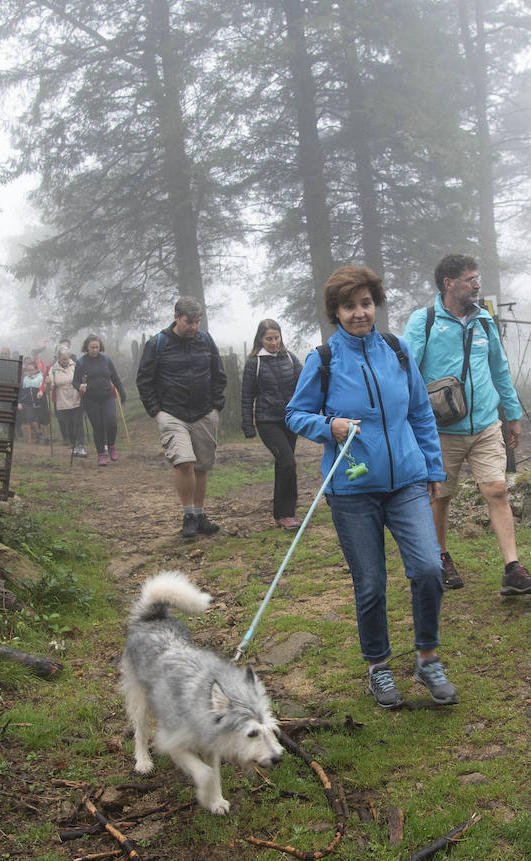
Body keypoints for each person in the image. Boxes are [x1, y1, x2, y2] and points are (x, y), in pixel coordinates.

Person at [285, 265, 455, 709]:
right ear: (335, 312)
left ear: (375, 303)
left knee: (429, 569)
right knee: (371, 584)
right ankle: (378, 668)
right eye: (348, 306)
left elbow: (420, 412)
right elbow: (295, 415)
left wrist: (433, 468)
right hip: (352, 491)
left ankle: (427, 659)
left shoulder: (397, 352)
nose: (359, 313)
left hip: (407, 483)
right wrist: (330, 425)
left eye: (365, 303)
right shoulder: (322, 361)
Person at [403, 253, 531, 597]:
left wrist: (512, 416)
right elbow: (405, 372)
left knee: (496, 490)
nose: (477, 284)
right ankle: (440, 558)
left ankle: (513, 568)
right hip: (440, 429)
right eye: (470, 279)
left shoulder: (484, 321)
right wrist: (408, 421)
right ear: (449, 284)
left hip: (485, 425)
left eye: (477, 278)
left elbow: (499, 369)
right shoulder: (424, 322)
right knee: (441, 496)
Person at [136, 297, 227, 538]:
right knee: (184, 462)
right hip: (171, 413)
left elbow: (218, 374)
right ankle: (187, 515)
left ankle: (199, 515)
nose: (195, 327)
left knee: (201, 467)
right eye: (190, 322)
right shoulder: (158, 343)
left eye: (198, 321)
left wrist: (216, 406)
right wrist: (156, 411)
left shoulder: (206, 340)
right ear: (176, 318)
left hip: (204, 412)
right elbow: (145, 380)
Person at [241, 319, 303, 529]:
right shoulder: (254, 363)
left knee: (283, 464)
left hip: (289, 420)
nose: (274, 342)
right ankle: (287, 513)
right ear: (260, 339)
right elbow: (247, 396)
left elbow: (304, 383)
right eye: (269, 338)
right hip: (267, 421)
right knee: (288, 462)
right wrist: (247, 424)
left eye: (276, 338)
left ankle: (280, 514)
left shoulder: (290, 358)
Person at [75, 334, 128, 466]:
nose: (94, 350)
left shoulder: (106, 360)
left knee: (112, 422)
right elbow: (75, 381)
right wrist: (79, 386)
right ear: (87, 347)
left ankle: (111, 446)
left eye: (97, 347)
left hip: (107, 396)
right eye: (92, 347)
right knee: (98, 426)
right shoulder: (81, 362)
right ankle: (101, 455)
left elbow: (115, 378)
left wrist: (122, 393)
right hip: (90, 399)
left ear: (100, 347)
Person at [47, 345, 87, 457]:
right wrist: (48, 383)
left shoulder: (75, 365)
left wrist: (83, 385)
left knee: (78, 423)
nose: (65, 361)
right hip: (62, 401)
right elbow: (50, 388)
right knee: (69, 425)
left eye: (67, 358)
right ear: (58, 358)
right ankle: (74, 445)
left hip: (76, 398)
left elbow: (81, 379)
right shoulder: (53, 370)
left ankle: (81, 446)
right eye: (63, 359)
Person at [16, 359, 47, 444]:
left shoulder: (40, 377)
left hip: (39, 402)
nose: (30, 371)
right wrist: (20, 402)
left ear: (36, 370)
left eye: (32, 370)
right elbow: (22, 392)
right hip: (28, 403)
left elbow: (44, 388)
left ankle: (42, 437)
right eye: (28, 370)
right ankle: (37, 435)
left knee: (41, 421)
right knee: (30, 420)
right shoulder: (25, 379)